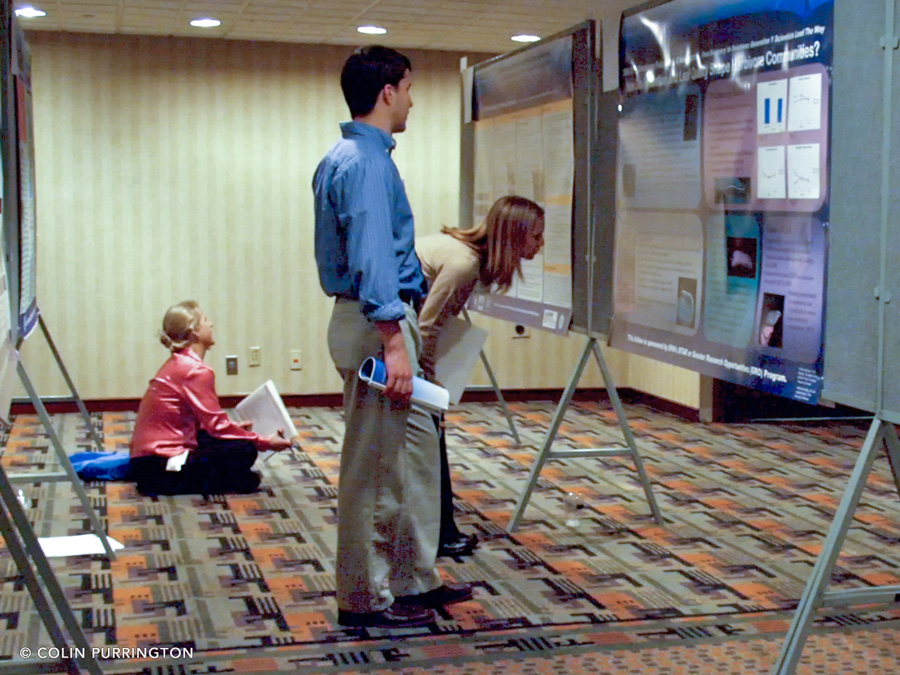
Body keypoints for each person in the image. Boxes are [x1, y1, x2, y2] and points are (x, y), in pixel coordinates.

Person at [313, 45, 472, 629]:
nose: (412, 99)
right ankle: (366, 598)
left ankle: (410, 579)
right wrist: (395, 343)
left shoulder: (349, 156)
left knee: (413, 457)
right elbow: (374, 256)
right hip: (377, 324)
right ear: (387, 92)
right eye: (408, 88)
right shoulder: (366, 164)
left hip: (374, 320)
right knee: (377, 465)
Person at [416, 195, 545, 556]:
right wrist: (430, 386)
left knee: (429, 438)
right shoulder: (464, 264)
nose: (540, 244)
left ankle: (441, 531)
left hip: (402, 337)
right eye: (535, 236)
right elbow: (426, 329)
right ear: (514, 236)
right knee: (429, 434)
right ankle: (440, 535)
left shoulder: (468, 258)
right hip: (394, 341)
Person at [130, 301, 292, 496]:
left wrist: (235, 429)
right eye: (206, 320)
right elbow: (216, 425)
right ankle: (225, 481)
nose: (212, 324)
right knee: (245, 449)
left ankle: (228, 479)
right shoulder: (195, 370)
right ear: (195, 332)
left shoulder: (182, 363)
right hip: (157, 465)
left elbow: (206, 423)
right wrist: (264, 441)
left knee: (228, 442)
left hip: (147, 461)